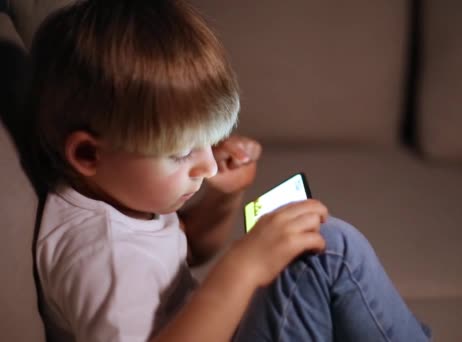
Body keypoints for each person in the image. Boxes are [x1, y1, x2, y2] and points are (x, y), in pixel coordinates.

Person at [30, 0, 431, 341]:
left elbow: (191, 250)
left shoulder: (122, 194)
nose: (205, 165)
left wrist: (223, 196)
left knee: (318, 246)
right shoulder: (103, 258)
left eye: (206, 142)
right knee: (331, 250)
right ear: (88, 154)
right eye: (180, 153)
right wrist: (243, 268)